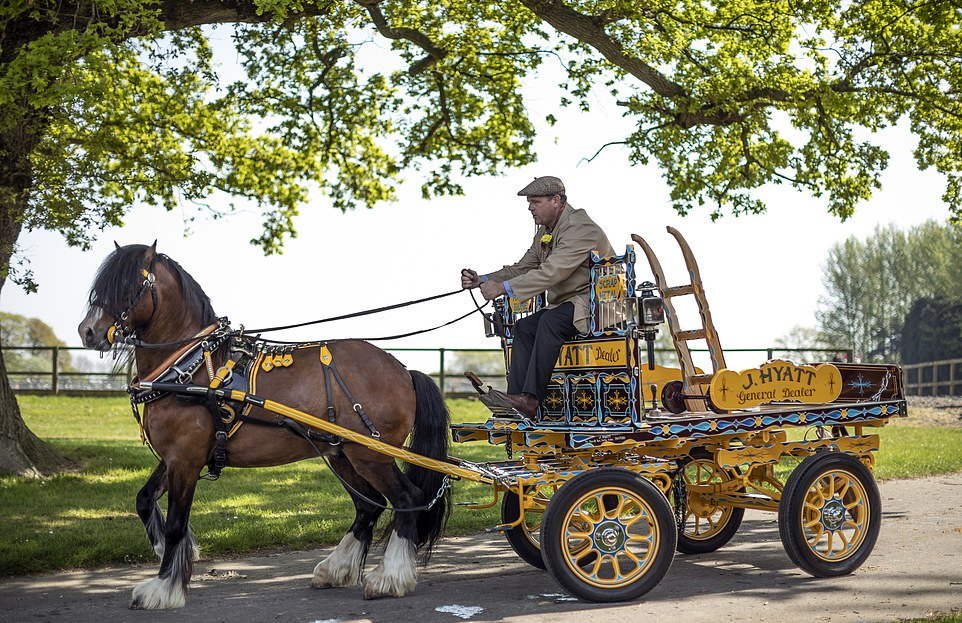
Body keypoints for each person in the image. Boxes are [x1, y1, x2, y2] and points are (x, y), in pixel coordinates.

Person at [461, 176, 615, 418]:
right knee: (524, 327)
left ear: (556, 201)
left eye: (535, 202)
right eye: (529, 202)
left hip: (596, 305)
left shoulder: (580, 229)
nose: (530, 207)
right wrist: (483, 278)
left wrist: (503, 289)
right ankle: (515, 402)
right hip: (570, 305)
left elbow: (552, 271)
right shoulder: (546, 232)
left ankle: (529, 400)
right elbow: (523, 268)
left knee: (548, 322)